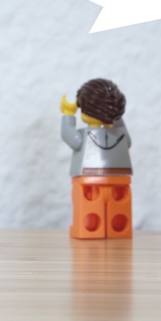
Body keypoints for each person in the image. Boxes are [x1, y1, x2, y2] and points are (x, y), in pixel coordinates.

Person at [61, 78, 133, 238]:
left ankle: (93, 231)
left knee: (90, 209)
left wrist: (68, 113)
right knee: (116, 208)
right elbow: (127, 142)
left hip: (88, 178)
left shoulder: (83, 137)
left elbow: (68, 135)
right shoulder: (119, 134)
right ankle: (117, 230)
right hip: (118, 177)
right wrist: (116, 117)